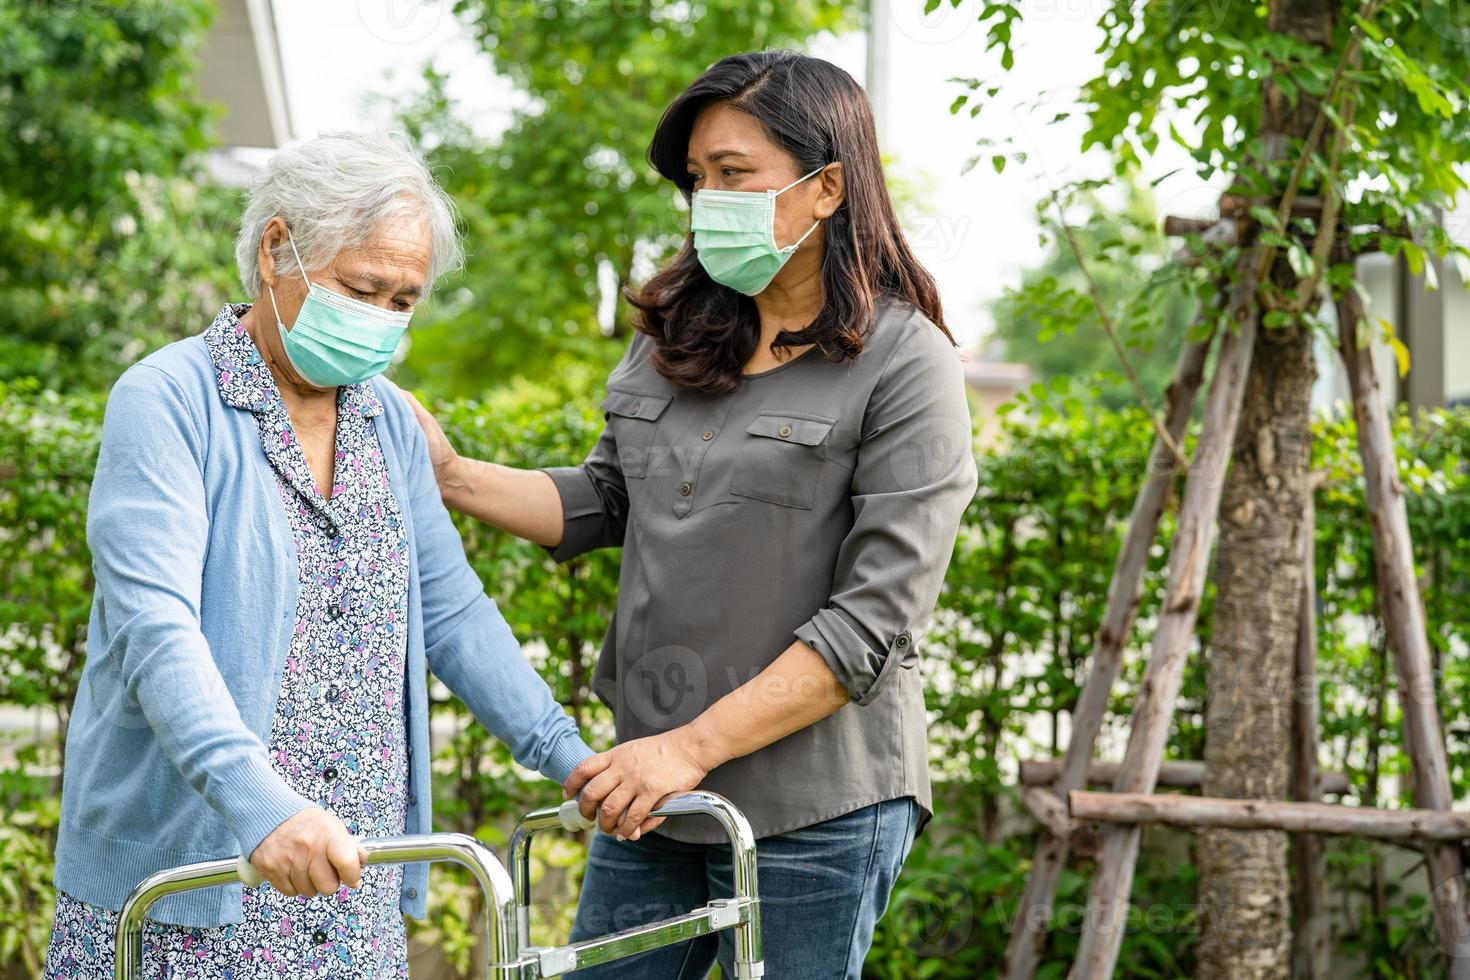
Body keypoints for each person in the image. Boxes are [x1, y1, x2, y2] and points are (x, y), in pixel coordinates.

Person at [405, 51, 978, 979]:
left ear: (826, 186)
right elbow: (604, 500)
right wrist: (451, 474)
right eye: (699, 179)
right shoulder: (678, 339)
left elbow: (870, 627)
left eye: (735, 174)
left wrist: (685, 750)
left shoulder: (905, 365)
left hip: (816, 803)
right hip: (656, 791)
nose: (709, 198)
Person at [43, 132, 593, 979]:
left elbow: (450, 614)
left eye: (404, 300)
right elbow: (156, 629)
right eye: (361, 288)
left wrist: (570, 757)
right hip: (200, 878)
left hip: (349, 876)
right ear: (275, 249)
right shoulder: (167, 401)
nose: (379, 318)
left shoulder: (385, 424)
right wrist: (263, 810)